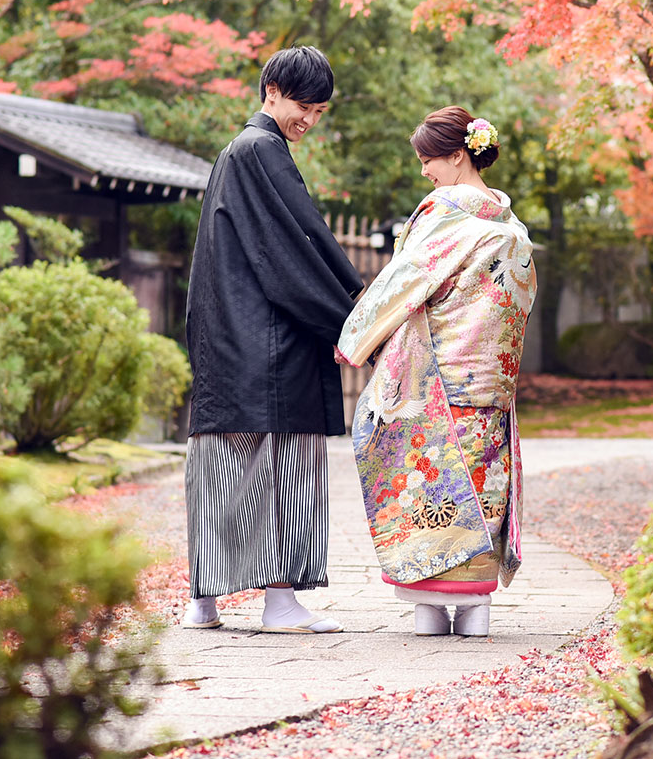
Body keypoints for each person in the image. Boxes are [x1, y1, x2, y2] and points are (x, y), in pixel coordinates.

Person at [181, 45, 365, 633]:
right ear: (270, 92)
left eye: (319, 109)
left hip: (229, 340)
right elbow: (293, 253)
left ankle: (203, 602)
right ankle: (279, 601)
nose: (308, 119)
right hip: (268, 344)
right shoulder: (263, 150)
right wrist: (352, 316)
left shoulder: (237, 152)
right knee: (282, 468)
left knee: (220, 471)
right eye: (301, 105)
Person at [335, 106, 537, 637]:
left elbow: (406, 280)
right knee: (481, 481)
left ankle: (428, 609)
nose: (424, 171)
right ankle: (477, 611)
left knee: (428, 481)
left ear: (456, 156)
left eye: (429, 160)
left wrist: (357, 338)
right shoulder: (510, 226)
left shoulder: (447, 213)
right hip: (491, 380)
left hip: (441, 375)